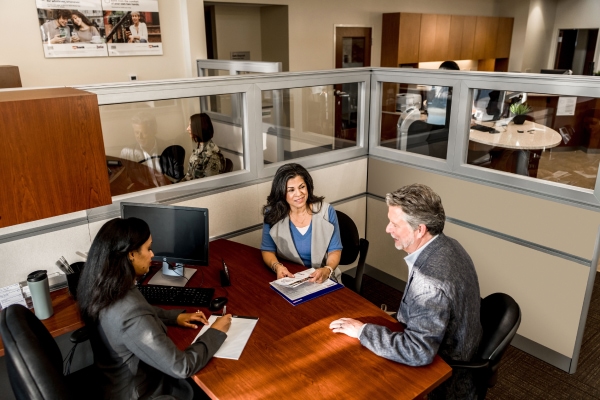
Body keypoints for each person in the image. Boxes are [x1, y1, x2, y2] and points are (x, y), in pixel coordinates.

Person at [330, 183, 482, 399]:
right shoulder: (449, 245)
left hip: (443, 381)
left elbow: (418, 351)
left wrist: (363, 332)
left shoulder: (429, 283)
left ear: (420, 229)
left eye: (394, 224)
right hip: (457, 347)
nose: (387, 229)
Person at [77, 217, 232, 400]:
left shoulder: (99, 286)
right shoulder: (128, 312)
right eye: (148, 248)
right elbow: (182, 367)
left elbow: (142, 310)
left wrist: (175, 317)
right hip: (143, 393)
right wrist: (215, 332)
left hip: (111, 382)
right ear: (131, 254)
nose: (153, 255)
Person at [261, 163, 343, 283]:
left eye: (302, 187)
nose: (299, 194)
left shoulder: (326, 211)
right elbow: (267, 250)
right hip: (291, 277)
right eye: (291, 190)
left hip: (323, 277)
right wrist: (277, 267)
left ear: (308, 187)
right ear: (281, 193)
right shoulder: (272, 214)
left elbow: (335, 250)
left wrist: (327, 269)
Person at [183, 113, 225, 180]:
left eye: (190, 125)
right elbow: (188, 176)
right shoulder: (199, 149)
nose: (187, 128)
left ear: (198, 129)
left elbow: (208, 185)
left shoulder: (213, 156)